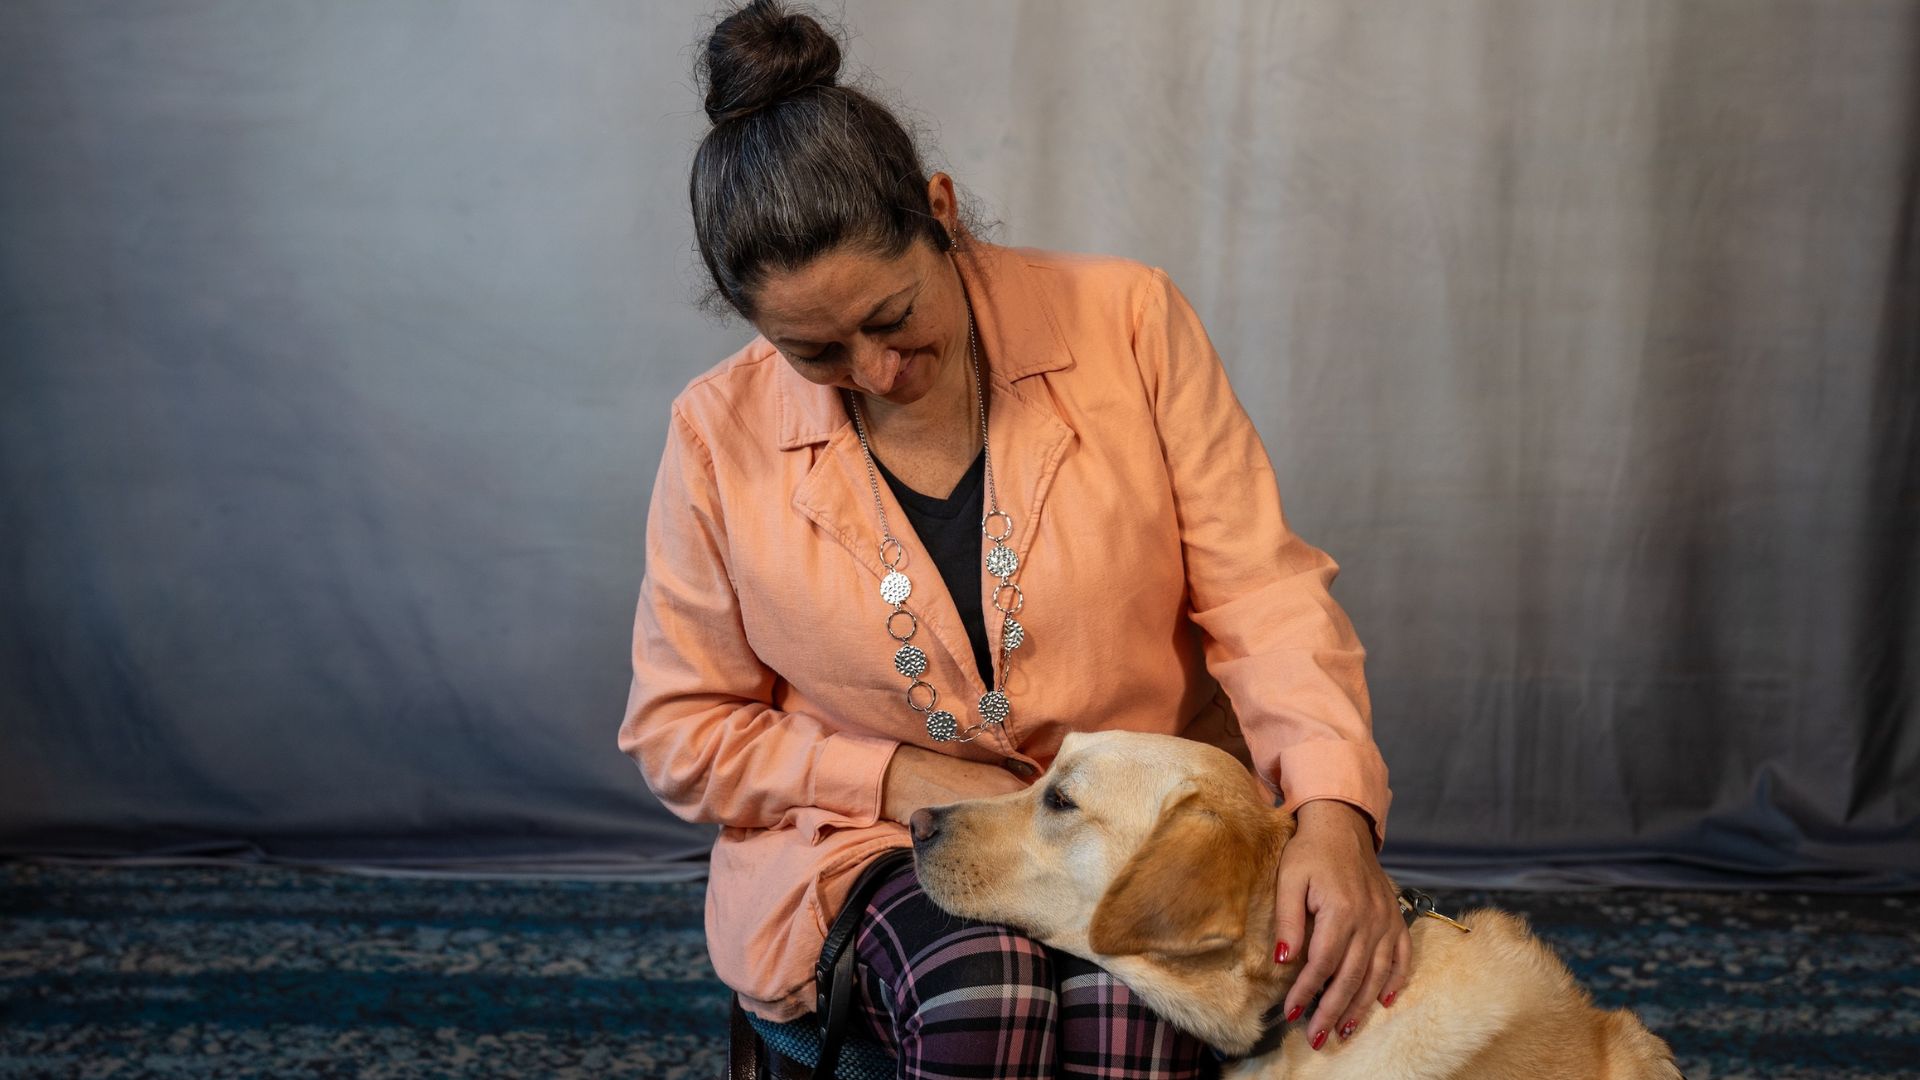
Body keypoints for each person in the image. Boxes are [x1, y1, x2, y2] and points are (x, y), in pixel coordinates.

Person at [620, 1, 1405, 1075]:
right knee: (986, 998)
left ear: (942, 214)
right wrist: (899, 779)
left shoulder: (1129, 321)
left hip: (1144, 834)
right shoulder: (715, 434)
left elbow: (1263, 597)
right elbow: (681, 730)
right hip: (873, 844)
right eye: (817, 353)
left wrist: (1332, 810)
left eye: (895, 318)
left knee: (1142, 1016)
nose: (878, 373)